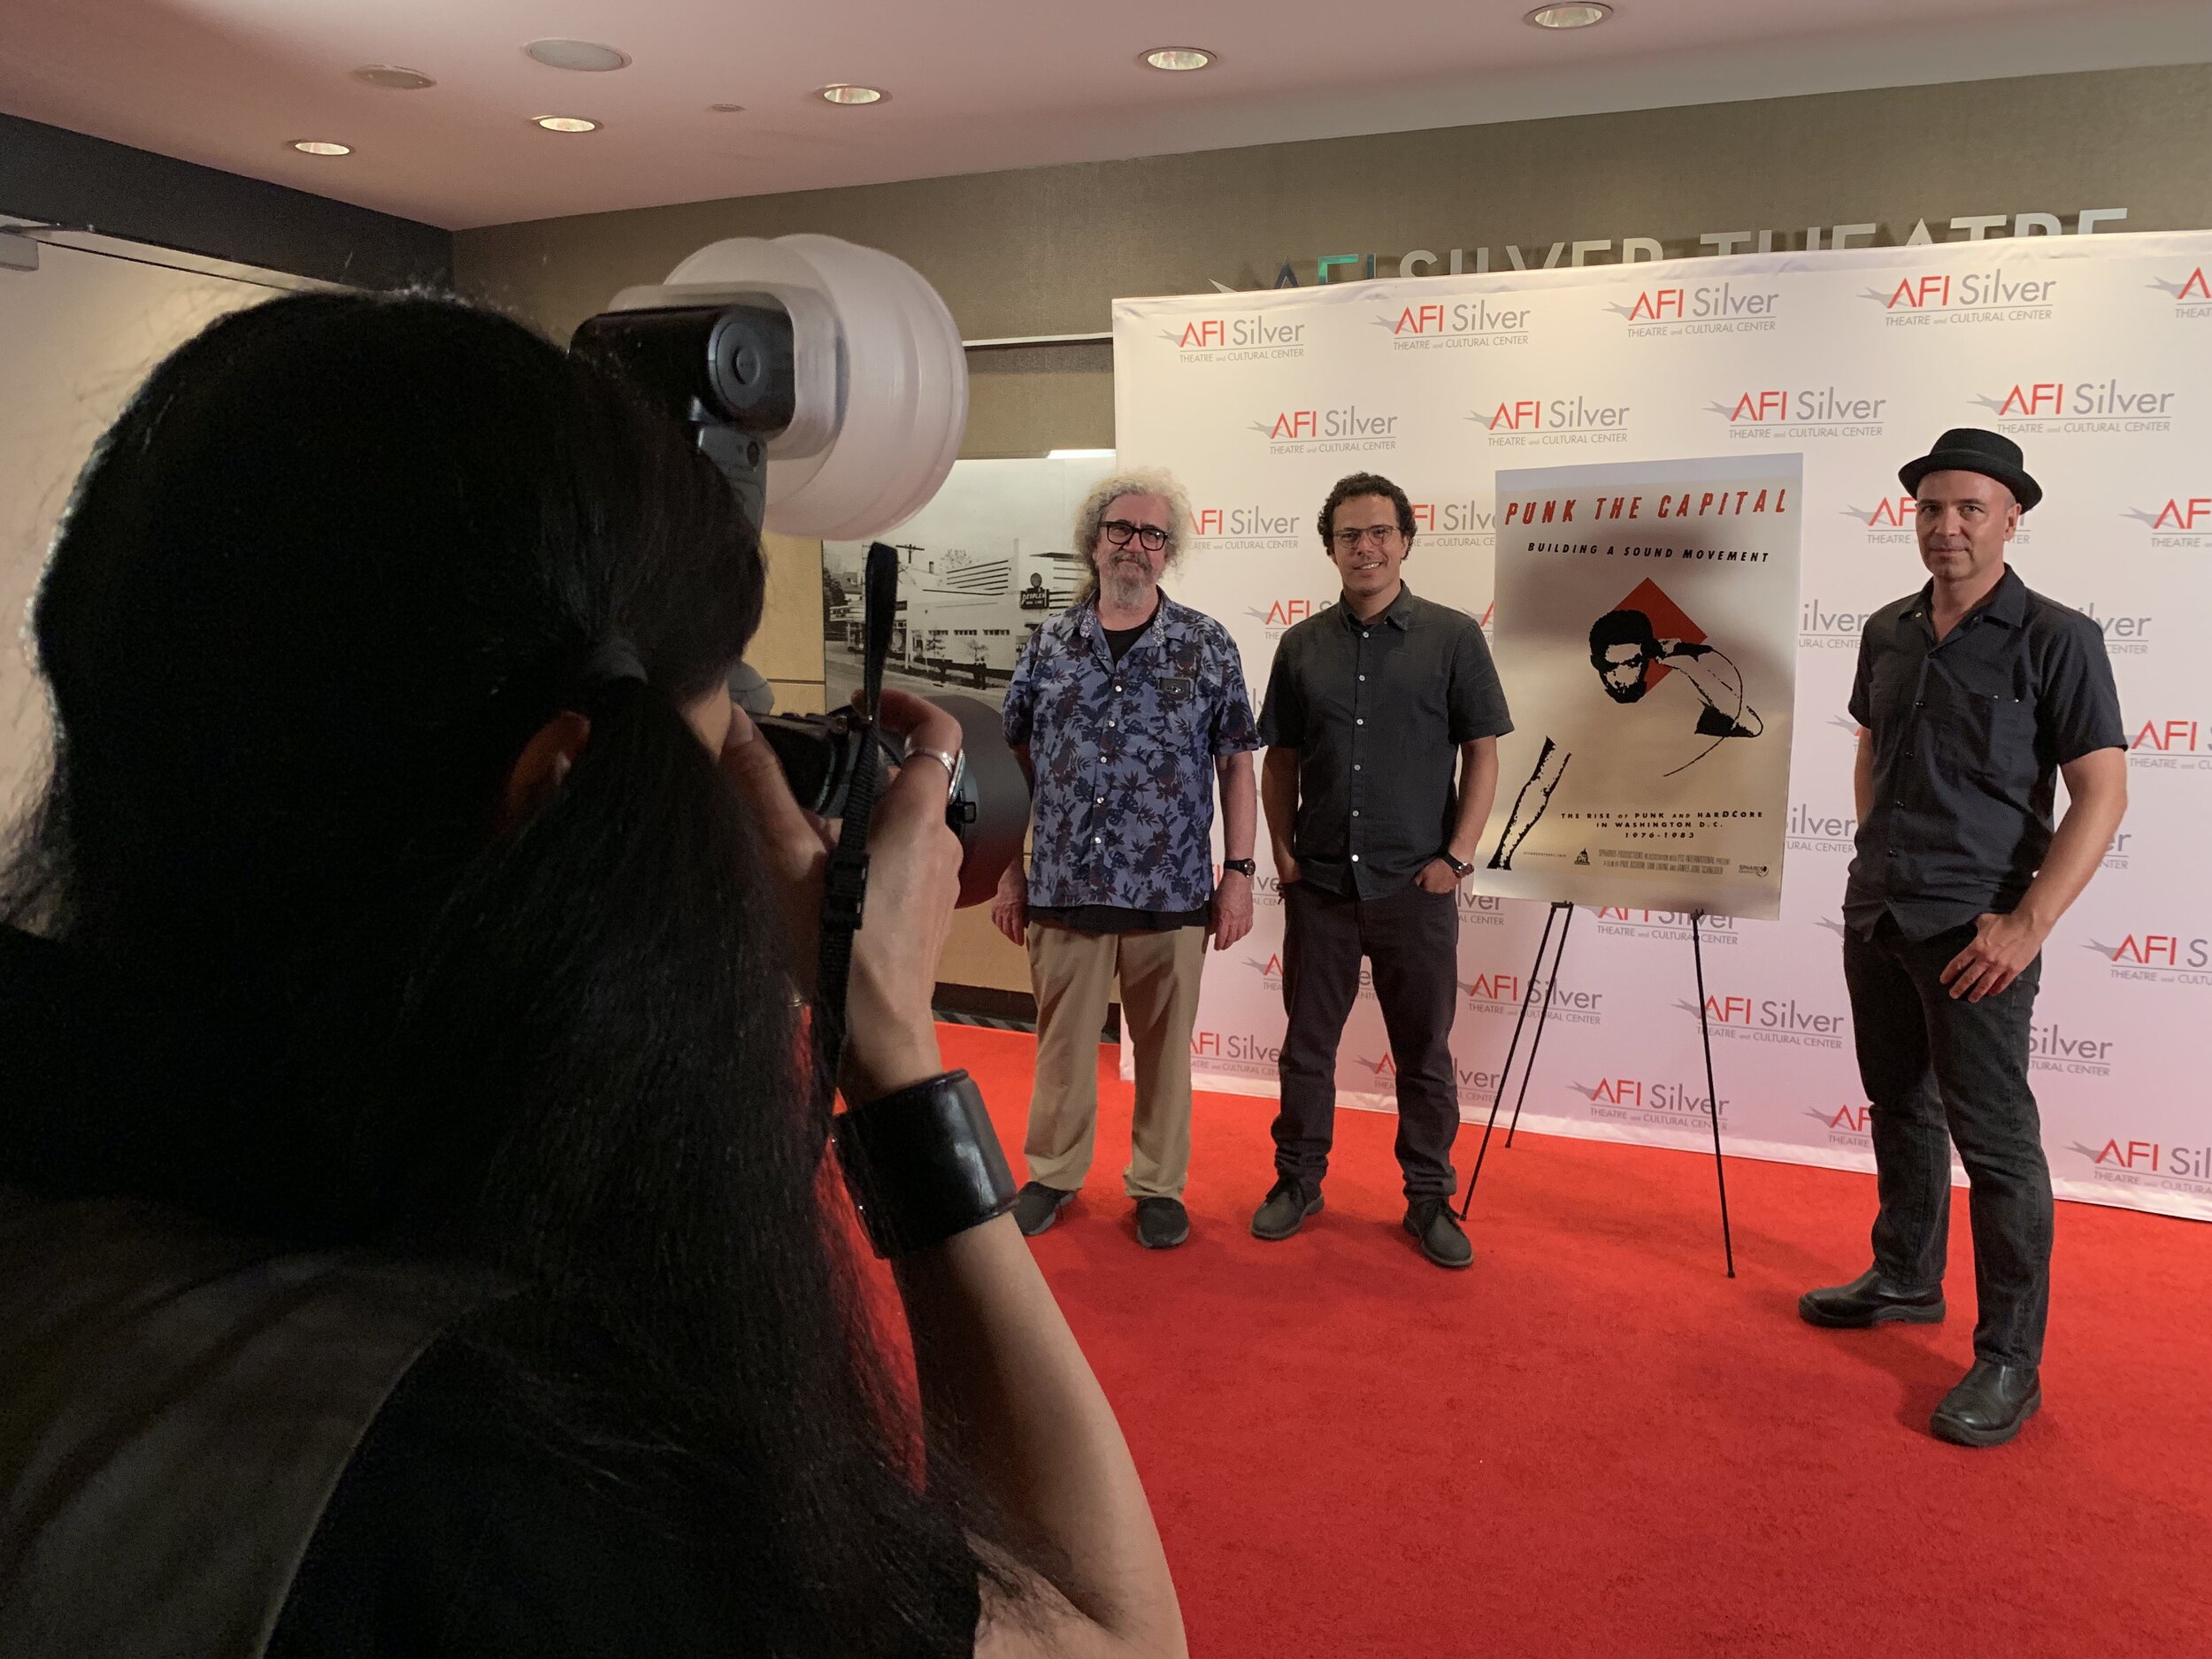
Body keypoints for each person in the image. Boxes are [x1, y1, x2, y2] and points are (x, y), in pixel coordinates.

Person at [0, 292, 1187, 1657]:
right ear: (558, 798)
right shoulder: (529, 1489)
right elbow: (1115, 1638)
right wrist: (891, 1050)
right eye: (707, 760)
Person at [1800, 428, 2127, 1448]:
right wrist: (1870, 851)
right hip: (1879, 911)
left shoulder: (2056, 637)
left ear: (2010, 517)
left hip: (1975, 933)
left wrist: (2026, 926)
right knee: (1898, 1103)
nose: (1947, 526)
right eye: (1931, 508)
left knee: (1995, 1147)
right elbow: (1871, 748)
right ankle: (1903, 1275)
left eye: (1969, 509)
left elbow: (2101, 792)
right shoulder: (1887, 630)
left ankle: (2008, 1363)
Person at [993, 471, 1258, 1250]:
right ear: (1094, 540)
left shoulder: (1207, 644)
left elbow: (1238, 763)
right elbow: (1014, 762)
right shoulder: (1048, 645)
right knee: (1063, 1047)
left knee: (1166, 1053)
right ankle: (1052, 1174)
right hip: (1064, 883)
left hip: (1172, 888)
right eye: (1120, 529)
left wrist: (1238, 875)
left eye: (1152, 534)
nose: (1135, 546)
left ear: (1168, 552)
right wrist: (1011, 869)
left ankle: (1157, 1187)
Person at [1252, 472, 1510, 1269]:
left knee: (1424, 1054)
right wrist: (1285, 854)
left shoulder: (1454, 636)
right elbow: (1281, 761)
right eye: (1348, 535)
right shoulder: (1301, 646)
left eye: (1379, 533)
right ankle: (1298, 1180)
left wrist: (1456, 858)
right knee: (1307, 1050)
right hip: (1322, 889)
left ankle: (1429, 1196)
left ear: (1405, 539)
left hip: (1415, 889)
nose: (1365, 547)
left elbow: (1483, 753)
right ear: (1329, 546)